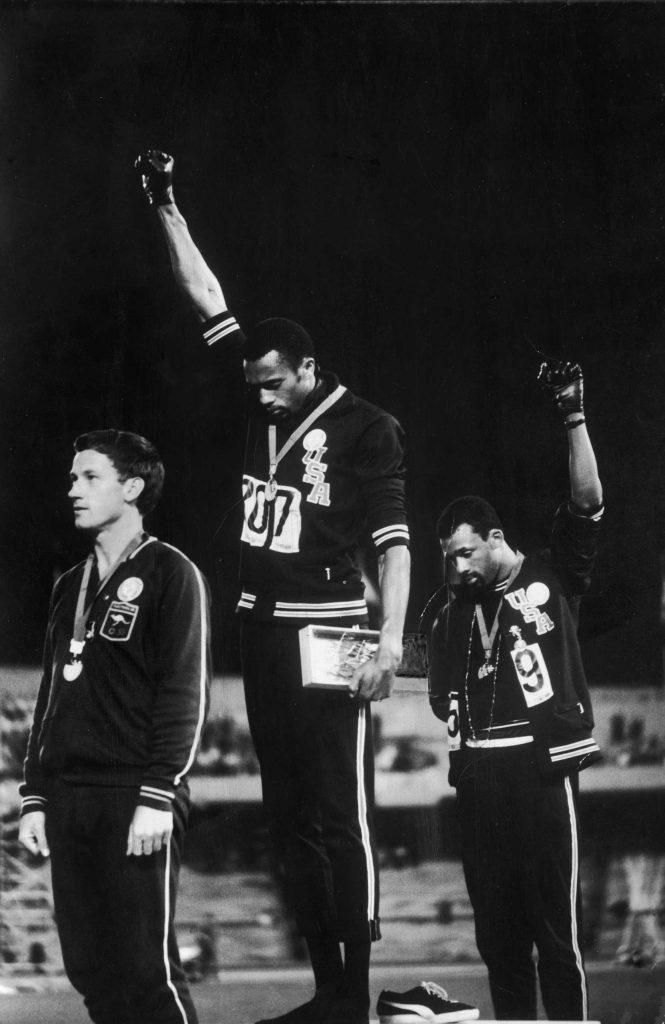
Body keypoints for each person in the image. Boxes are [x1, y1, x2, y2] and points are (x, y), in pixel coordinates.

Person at [135, 149, 421, 1024]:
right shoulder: (256, 386)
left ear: (304, 369)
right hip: (261, 629)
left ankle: (354, 989)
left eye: (270, 386)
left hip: (332, 631)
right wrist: (166, 205)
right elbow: (206, 296)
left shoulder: (369, 428)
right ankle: (323, 988)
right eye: (250, 385)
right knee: (287, 811)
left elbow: (396, 545)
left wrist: (392, 642)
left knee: (341, 813)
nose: (256, 400)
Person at [428, 360, 604, 1021]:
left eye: (466, 552)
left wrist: (572, 416)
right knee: (498, 943)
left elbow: (586, 504)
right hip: (478, 776)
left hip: (538, 768)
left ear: (495, 538)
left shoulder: (550, 575)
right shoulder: (451, 612)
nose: (457, 564)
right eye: (448, 555)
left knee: (552, 938)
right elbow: (435, 685)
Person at [18, 430, 211, 1024]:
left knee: (146, 972)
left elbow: (186, 693)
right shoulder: (67, 587)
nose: (72, 489)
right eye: (73, 478)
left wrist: (158, 793)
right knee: (92, 971)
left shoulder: (172, 573)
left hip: (136, 797)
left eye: (89, 477)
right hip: (70, 799)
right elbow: (50, 697)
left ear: (132, 488)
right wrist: (34, 796)